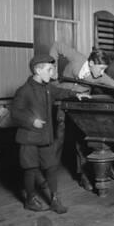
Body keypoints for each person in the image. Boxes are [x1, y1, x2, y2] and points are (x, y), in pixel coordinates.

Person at [49, 41, 114, 190]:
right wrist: (52, 68)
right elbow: (57, 46)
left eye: (104, 69)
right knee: (59, 139)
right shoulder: (78, 59)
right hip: (61, 101)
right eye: (101, 68)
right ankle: (49, 176)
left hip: (79, 106)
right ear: (90, 63)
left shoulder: (99, 77)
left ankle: (83, 176)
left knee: (80, 140)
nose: (102, 73)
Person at [11, 55, 89, 213]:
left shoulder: (48, 87)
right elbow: (15, 113)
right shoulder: (24, 91)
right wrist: (32, 121)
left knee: (52, 167)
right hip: (29, 139)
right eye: (49, 69)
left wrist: (76, 95)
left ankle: (54, 199)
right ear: (38, 70)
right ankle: (30, 199)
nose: (53, 72)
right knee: (30, 169)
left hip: (45, 138)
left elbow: (61, 92)